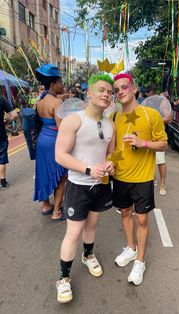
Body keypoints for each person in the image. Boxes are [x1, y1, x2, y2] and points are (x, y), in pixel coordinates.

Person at [54, 74, 115, 303]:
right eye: (101, 90)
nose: (106, 95)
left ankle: (88, 255)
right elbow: (60, 155)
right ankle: (63, 279)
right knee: (73, 232)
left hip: (100, 186)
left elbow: (111, 153)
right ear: (88, 92)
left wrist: (111, 163)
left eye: (109, 92)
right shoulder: (74, 120)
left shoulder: (111, 124)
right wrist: (88, 170)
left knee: (92, 224)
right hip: (79, 186)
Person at [112, 73, 167, 285]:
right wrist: (111, 162)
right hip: (121, 176)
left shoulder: (150, 114)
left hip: (143, 177)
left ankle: (140, 261)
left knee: (142, 219)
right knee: (125, 213)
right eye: (116, 90)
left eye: (124, 87)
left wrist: (143, 142)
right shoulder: (115, 117)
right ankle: (131, 248)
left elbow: (163, 143)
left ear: (134, 89)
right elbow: (117, 148)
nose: (120, 92)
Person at [33, 64, 67, 221]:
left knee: (44, 173)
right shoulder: (57, 103)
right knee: (61, 177)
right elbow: (62, 129)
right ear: (53, 84)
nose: (62, 85)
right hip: (54, 142)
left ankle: (46, 206)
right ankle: (57, 212)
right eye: (60, 82)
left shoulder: (40, 100)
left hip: (42, 141)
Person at [145, 85, 172, 195]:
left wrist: (155, 119)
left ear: (153, 92)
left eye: (148, 93)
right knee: (148, 159)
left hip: (158, 136)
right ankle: (153, 179)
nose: (147, 95)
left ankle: (163, 184)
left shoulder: (162, 102)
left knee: (160, 161)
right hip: (147, 135)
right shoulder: (146, 102)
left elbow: (169, 118)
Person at [0, 95, 18, 189]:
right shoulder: (1, 99)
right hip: (1, 135)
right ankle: (3, 182)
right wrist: (6, 122)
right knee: (1, 159)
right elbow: (15, 115)